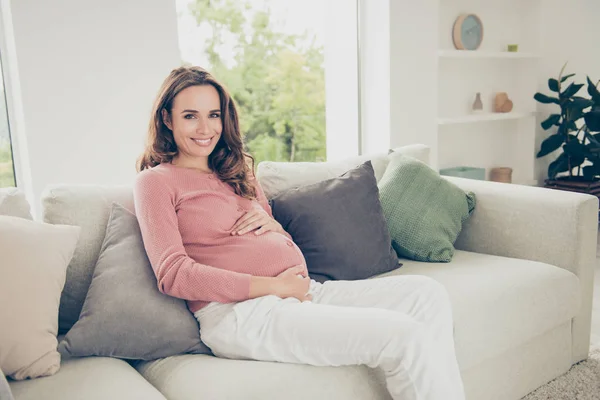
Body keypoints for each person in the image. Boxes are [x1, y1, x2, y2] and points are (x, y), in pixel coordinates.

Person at [133, 65, 465, 400]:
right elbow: (173, 274)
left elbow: (280, 241)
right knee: (402, 337)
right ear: (166, 118)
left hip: (302, 292)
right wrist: (276, 286)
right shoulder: (155, 182)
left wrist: (275, 227)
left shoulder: (237, 171)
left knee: (426, 294)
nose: (206, 128)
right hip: (242, 313)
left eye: (214, 115)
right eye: (190, 116)